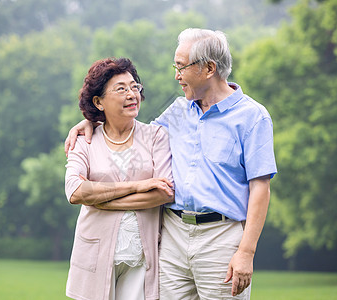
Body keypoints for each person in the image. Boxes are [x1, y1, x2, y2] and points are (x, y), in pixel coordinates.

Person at [65, 28, 277, 300]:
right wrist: (92, 122)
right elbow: (134, 132)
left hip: (220, 238)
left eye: (181, 67)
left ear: (209, 68)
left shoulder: (252, 117)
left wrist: (246, 252)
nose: (176, 75)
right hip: (172, 237)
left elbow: (260, 188)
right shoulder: (178, 111)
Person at [64, 57, 174, 300]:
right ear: (98, 101)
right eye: (121, 88)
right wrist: (138, 186)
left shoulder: (156, 136)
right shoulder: (84, 140)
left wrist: (101, 199)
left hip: (141, 257)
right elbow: (75, 191)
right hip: (94, 254)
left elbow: (164, 192)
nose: (132, 94)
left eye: (135, 87)